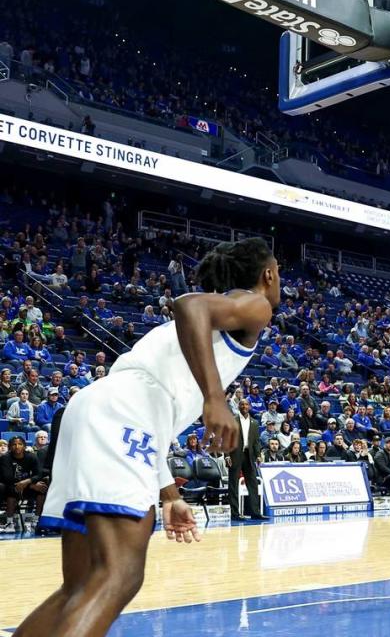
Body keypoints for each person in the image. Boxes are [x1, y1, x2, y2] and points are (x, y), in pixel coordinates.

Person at [21, 238, 280, 637]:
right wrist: (215, 398)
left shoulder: (210, 328)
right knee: (119, 576)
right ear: (268, 274)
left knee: (80, 585)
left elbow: (152, 413)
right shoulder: (255, 304)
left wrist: (170, 495)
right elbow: (188, 304)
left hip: (94, 408)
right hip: (128, 411)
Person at [228, 399, 265, 521]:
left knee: (253, 483)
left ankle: (255, 512)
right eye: (242, 404)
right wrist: (227, 456)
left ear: (249, 406)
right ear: (238, 406)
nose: (244, 406)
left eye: (246, 404)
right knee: (233, 484)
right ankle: (235, 513)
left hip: (249, 455)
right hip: (234, 455)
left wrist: (258, 454)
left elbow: (256, 442)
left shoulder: (254, 422)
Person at [1, 436, 46, 533]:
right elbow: (7, 478)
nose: (17, 446)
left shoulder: (32, 456)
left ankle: (36, 521)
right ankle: (10, 523)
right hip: (12, 486)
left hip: (26, 486)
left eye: (20, 444)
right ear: (9, 447)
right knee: (11, 490)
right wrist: (31, 484)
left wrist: (28, 483)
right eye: (14, 444)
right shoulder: (5, 458)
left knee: (41, 489)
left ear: (24, 446)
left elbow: (38, 474)